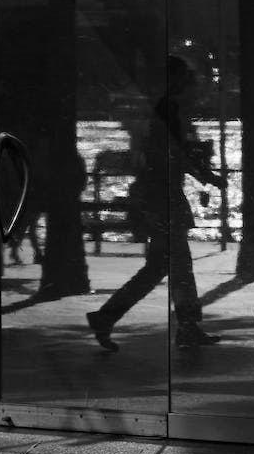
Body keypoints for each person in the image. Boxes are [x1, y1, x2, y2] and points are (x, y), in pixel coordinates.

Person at [86, 56, 225, 351]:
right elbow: (177, 154)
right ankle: (184, 325)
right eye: (185, 78)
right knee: (177, 266)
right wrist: (208, 177)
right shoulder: (170, 110)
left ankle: (108, 317)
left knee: (160, 267)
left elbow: (171, 153)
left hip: (159, 197)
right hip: (165, 198)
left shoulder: (163, 110)